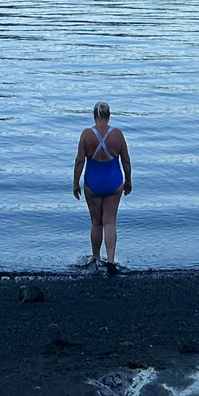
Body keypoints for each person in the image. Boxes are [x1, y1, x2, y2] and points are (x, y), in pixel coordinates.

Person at [72, 100, 131, 270]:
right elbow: (126, 159)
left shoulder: (86, 134)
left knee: (96, 223)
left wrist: (75, 183)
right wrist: (128, 180)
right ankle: (111, 261)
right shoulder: (118, 134)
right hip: (114, 181)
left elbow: (79, 161)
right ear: (109, 115)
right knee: (110, 222)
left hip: (93, 182)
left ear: (94, 116)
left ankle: (96, 259)